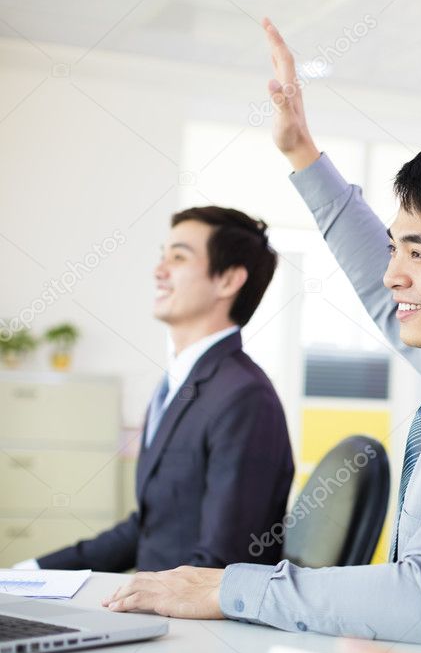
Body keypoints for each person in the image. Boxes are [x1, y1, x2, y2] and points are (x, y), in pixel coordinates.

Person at [101, 17, 421, 653]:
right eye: (396, 246)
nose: (393, 271)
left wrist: (233, 587)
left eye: (419, 252)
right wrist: (301, 153)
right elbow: (384, 292)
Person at [20, 207, 294, 572]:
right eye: (161, 256)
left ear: (228, 280)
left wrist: (129, 606)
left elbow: (223, 565)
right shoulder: (177, 385)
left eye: (178, 257)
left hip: (186, 622)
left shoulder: (244, 397)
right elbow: (149, 527)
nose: (158, 271)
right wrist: (30, 572)